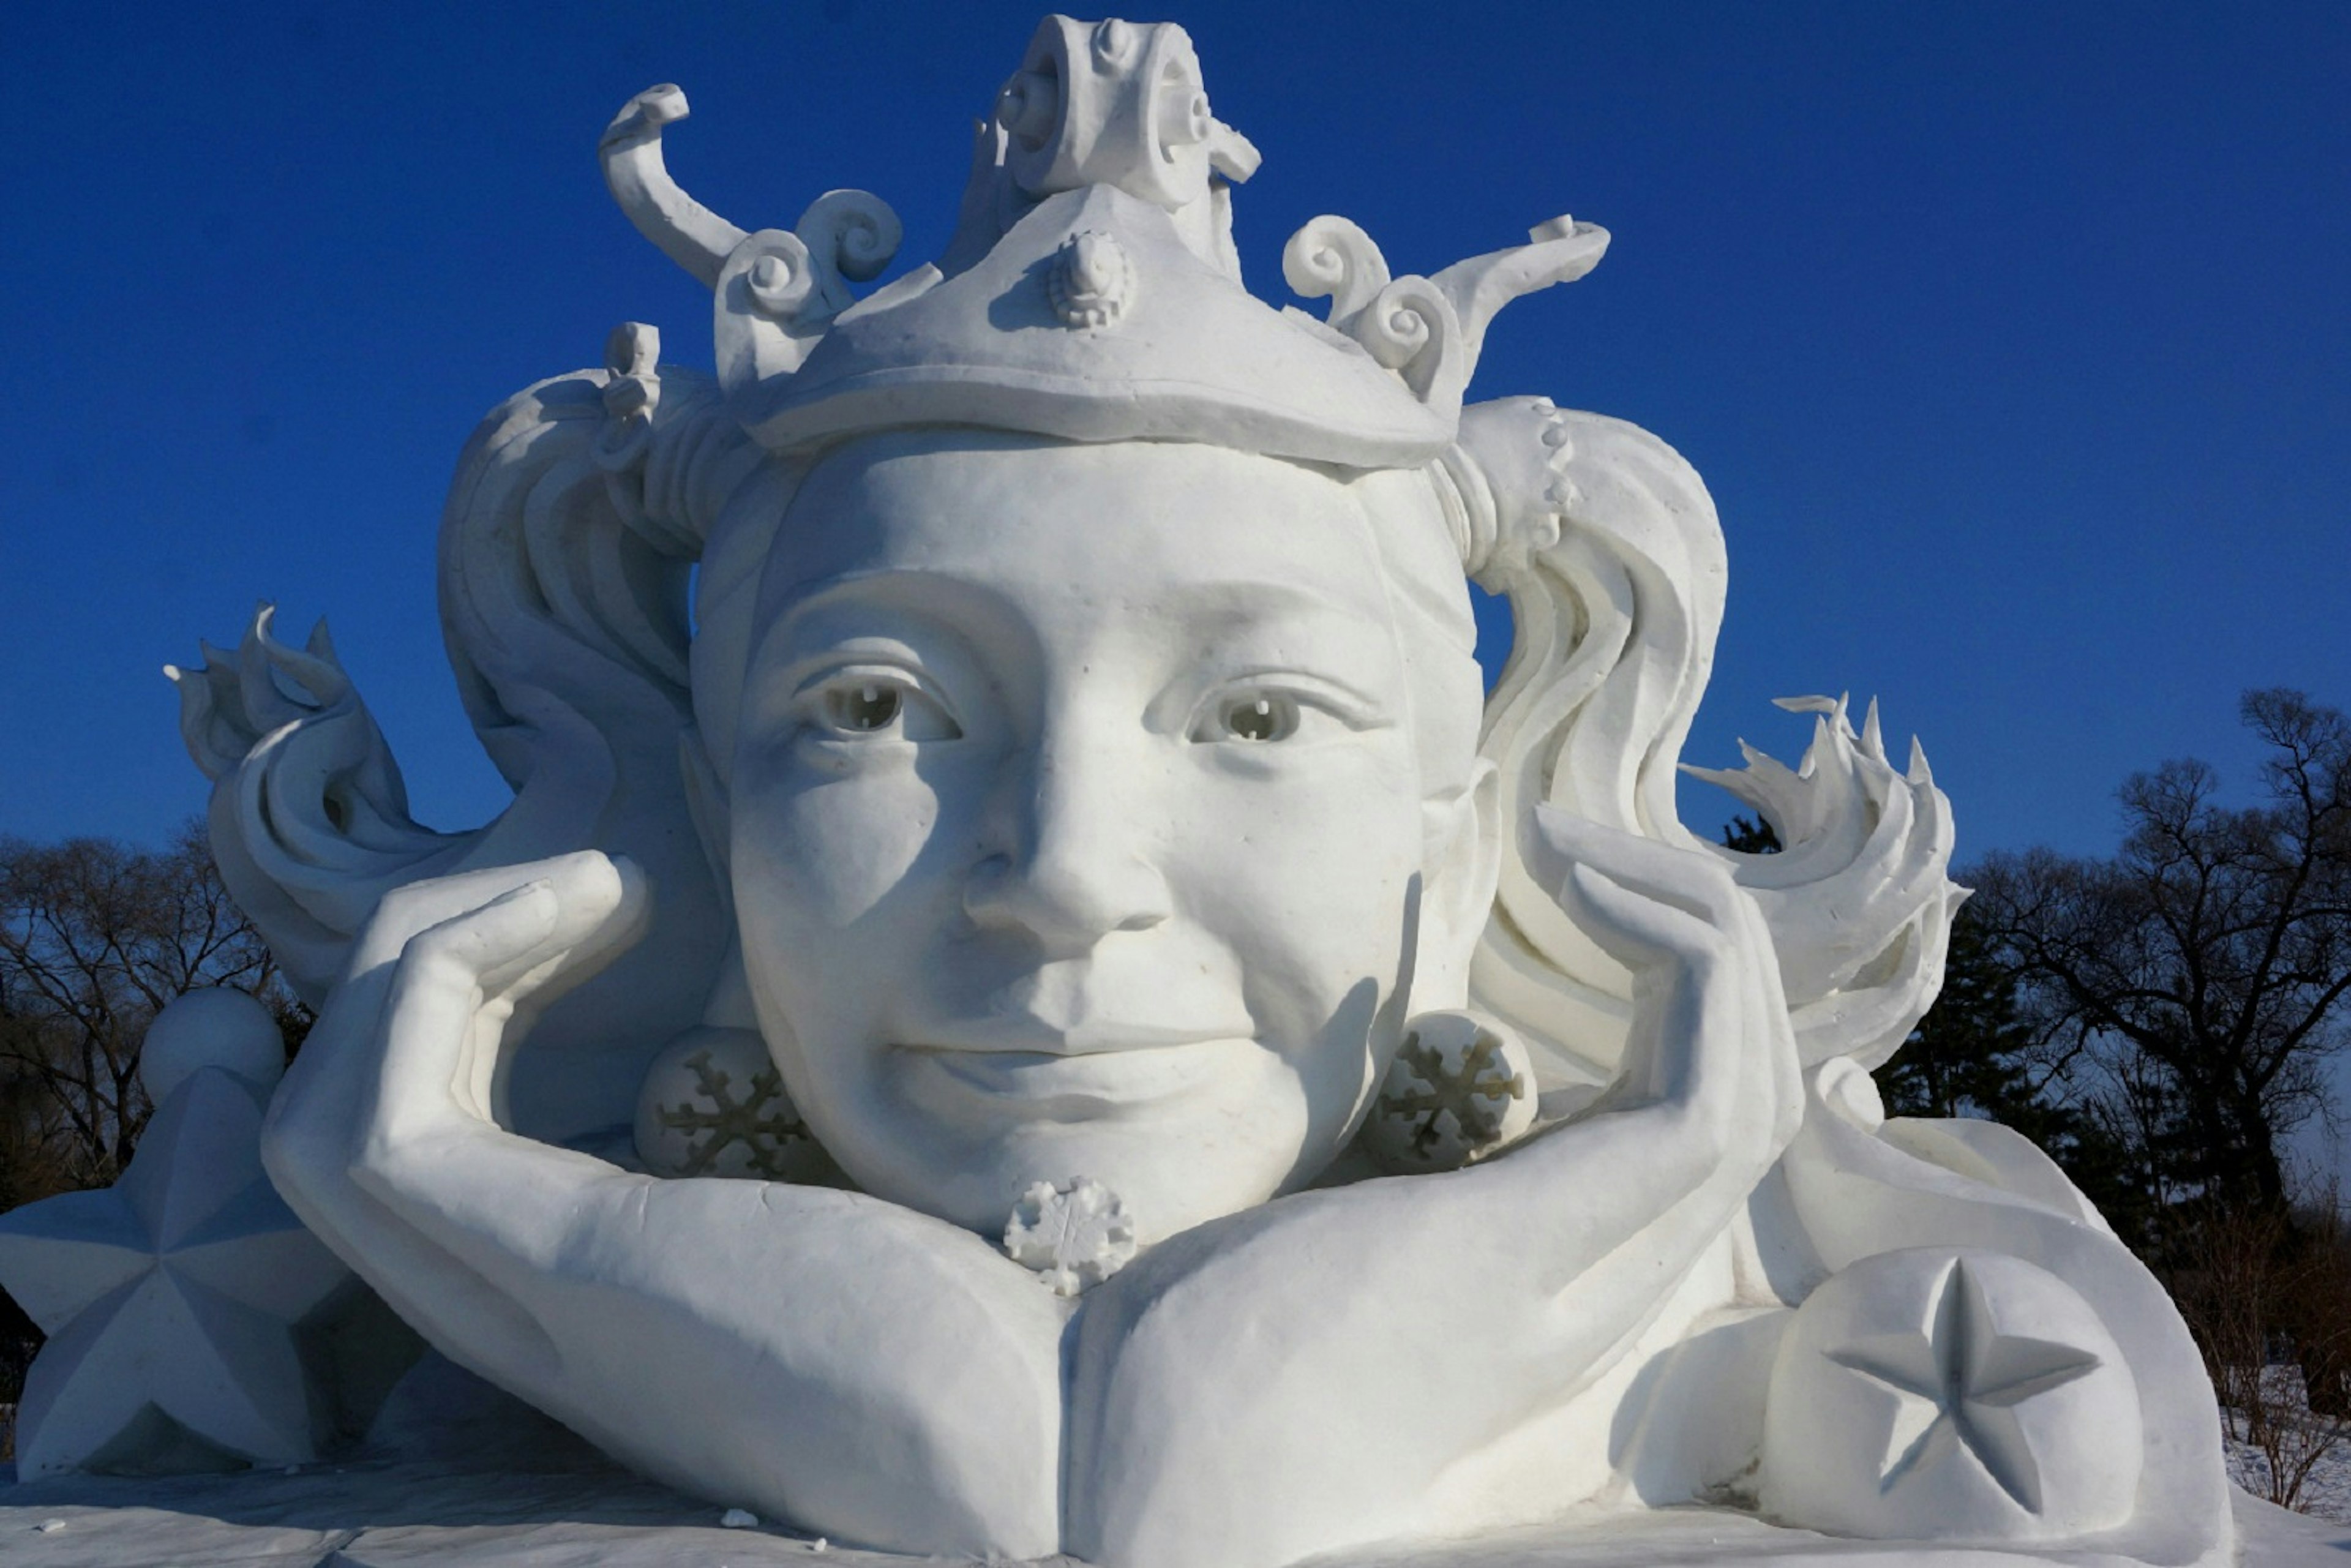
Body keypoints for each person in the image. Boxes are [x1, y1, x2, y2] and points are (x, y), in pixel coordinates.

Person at [197, 18, 2229, 1568]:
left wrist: (517, 1241)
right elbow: (1100, 1493)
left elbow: (1117, 1494)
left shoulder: (1912, 1338)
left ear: (1459, 819)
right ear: (715, 810)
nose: (1070, 878)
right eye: (886, 701)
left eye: (1257, 714)